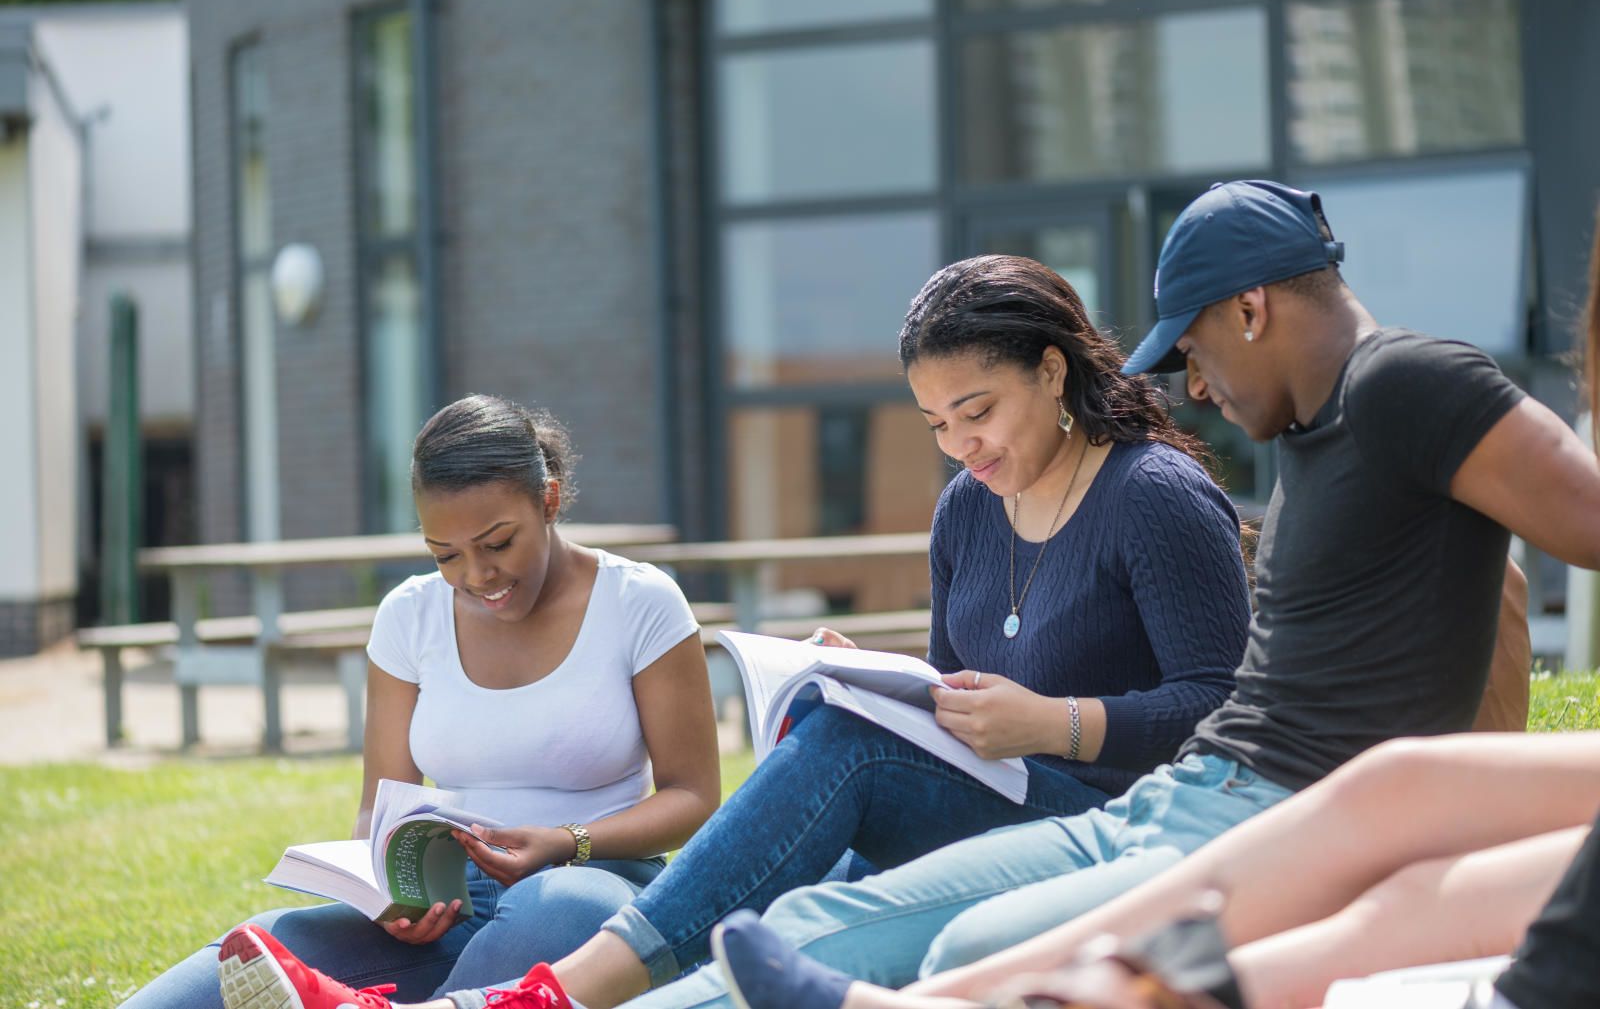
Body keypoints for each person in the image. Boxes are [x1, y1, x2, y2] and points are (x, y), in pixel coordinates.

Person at [404, 176, 1600, 1009]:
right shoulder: (1325, 430)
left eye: (1195, 349)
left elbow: (1582, 518)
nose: (1192, 382)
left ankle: (551, 1000)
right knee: (821, 902)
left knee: (942, 928)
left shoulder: (1405, 382)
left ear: (1254, 306)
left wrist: (1059, 724)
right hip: (1192, 794)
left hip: (1250, 801)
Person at [215, 254, 1258, 1009]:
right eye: (935, 424)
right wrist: (900, 688)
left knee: (839, 759)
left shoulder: (1154, 498)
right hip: (1004, 806)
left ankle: (542, 999)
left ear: (1051, 370)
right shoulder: (969, 512)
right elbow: (968, 696)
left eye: (976, 411)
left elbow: (1225, 721)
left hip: (1114, 822)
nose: (959, 447)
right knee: (792, 888)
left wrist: (1053, 723)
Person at [127, 395, 722, 1007]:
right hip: (447, 901)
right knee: (237, 961)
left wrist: (564, 841)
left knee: (554, 908)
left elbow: (693, 798)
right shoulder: (409, 616)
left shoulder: (641, 603)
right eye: (446, 556)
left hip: (592, 886)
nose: (477, 576)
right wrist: (389, 893)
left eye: (498, 543)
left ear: (548, 498)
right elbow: (379, 808)